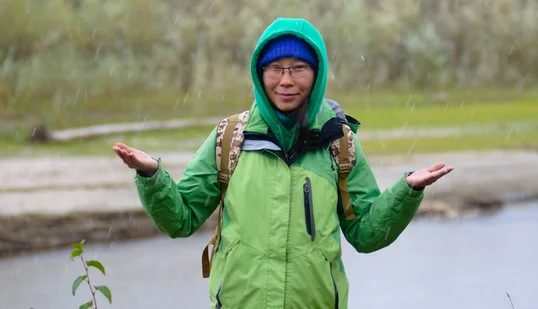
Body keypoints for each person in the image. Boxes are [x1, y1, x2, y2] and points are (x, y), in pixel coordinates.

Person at [113, 17, 454, 309]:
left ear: (317, 74)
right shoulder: (230, 137)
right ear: (260, 74)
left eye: (298, 68)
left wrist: (406, 191)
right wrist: (152, 175)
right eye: (275, 68)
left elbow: (365, 233)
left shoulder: (339, 143)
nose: (286, 80)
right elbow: (181, 219)